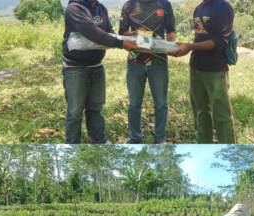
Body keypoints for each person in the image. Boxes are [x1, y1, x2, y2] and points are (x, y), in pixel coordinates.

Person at [62, 0, 143, 144]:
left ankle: (99, 142)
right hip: (75, 68)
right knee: (75, 112)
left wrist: (124, 37)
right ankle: (72, 144)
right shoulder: (74, 9)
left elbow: (108, 32)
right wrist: (121, 43)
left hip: (97, 66)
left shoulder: (101, 8)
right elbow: (92, 32)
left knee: (96, 108)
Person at [168, 0, 236, 144]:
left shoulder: (223, 7)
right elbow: (201, 36)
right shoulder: (198, 9)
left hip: (215, 68)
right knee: (200, 114)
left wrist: (190, 46)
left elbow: (221, 41)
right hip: (196, 67)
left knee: (221, 114)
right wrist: (183, 47)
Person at [118, 0, 176, 144]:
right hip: (135, 61)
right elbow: (121, 32)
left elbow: (170, 30)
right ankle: (135, 137)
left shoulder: (165, 4)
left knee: (161, 103)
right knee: (134, 103)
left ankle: (160, 139)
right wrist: (134, 33)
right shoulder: (128, 5)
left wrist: (170, 45)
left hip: (159, 61)